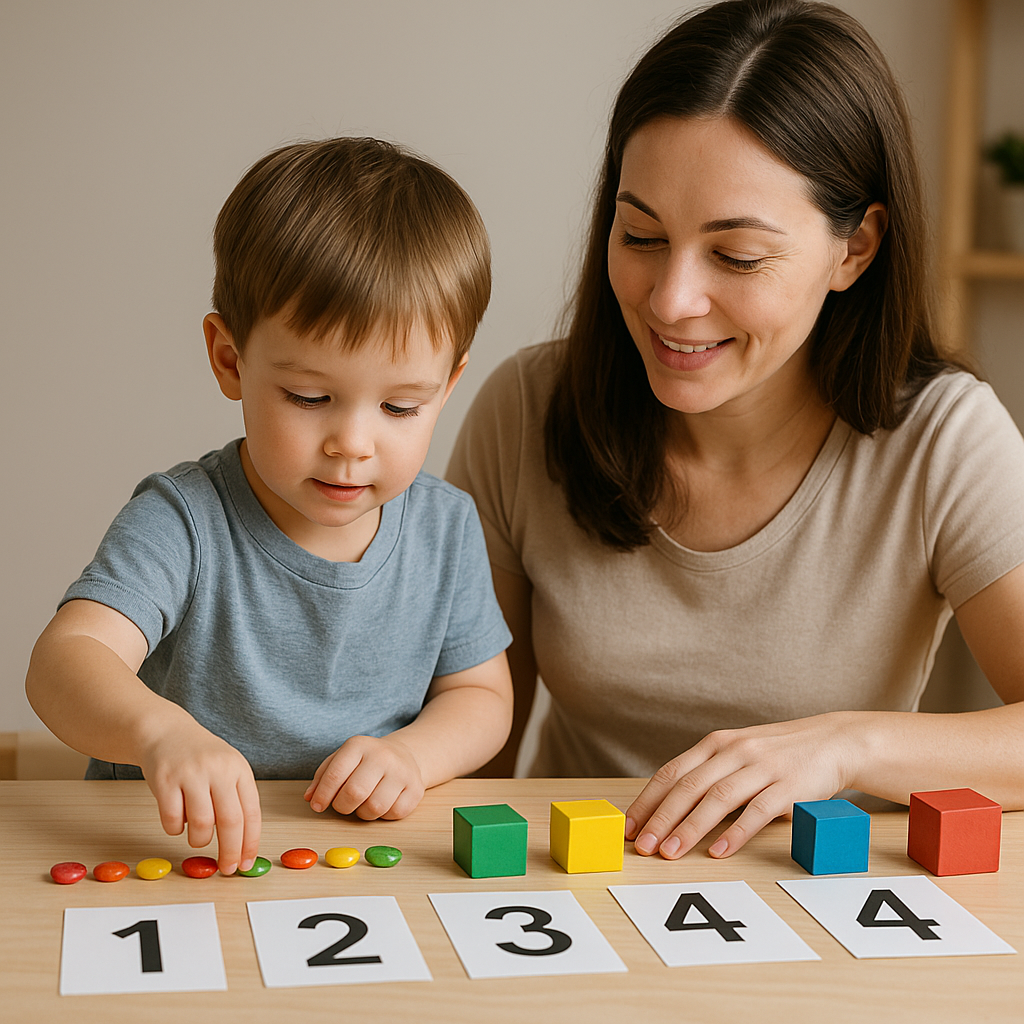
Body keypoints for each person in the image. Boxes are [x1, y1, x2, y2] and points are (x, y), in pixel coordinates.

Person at [447, 0, 1024, 863]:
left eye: (737, 256)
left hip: (826, 909)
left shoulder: (944, 438)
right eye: (641, 234)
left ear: (854, 251)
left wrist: (844, 746)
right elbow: (472, 751)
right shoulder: (525, 407)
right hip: (573, 897)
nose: (670, 300)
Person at [25, 137, 513, 875]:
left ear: (447, 386)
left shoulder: (446, 528)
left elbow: (482, 697)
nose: (352, 443)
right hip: (170, 853)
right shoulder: (183, 519)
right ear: (229, 359)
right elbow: (64, 663)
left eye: (401, 406)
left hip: (348, 863)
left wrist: (414, 754)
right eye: (310, 398)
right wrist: (159, 732)